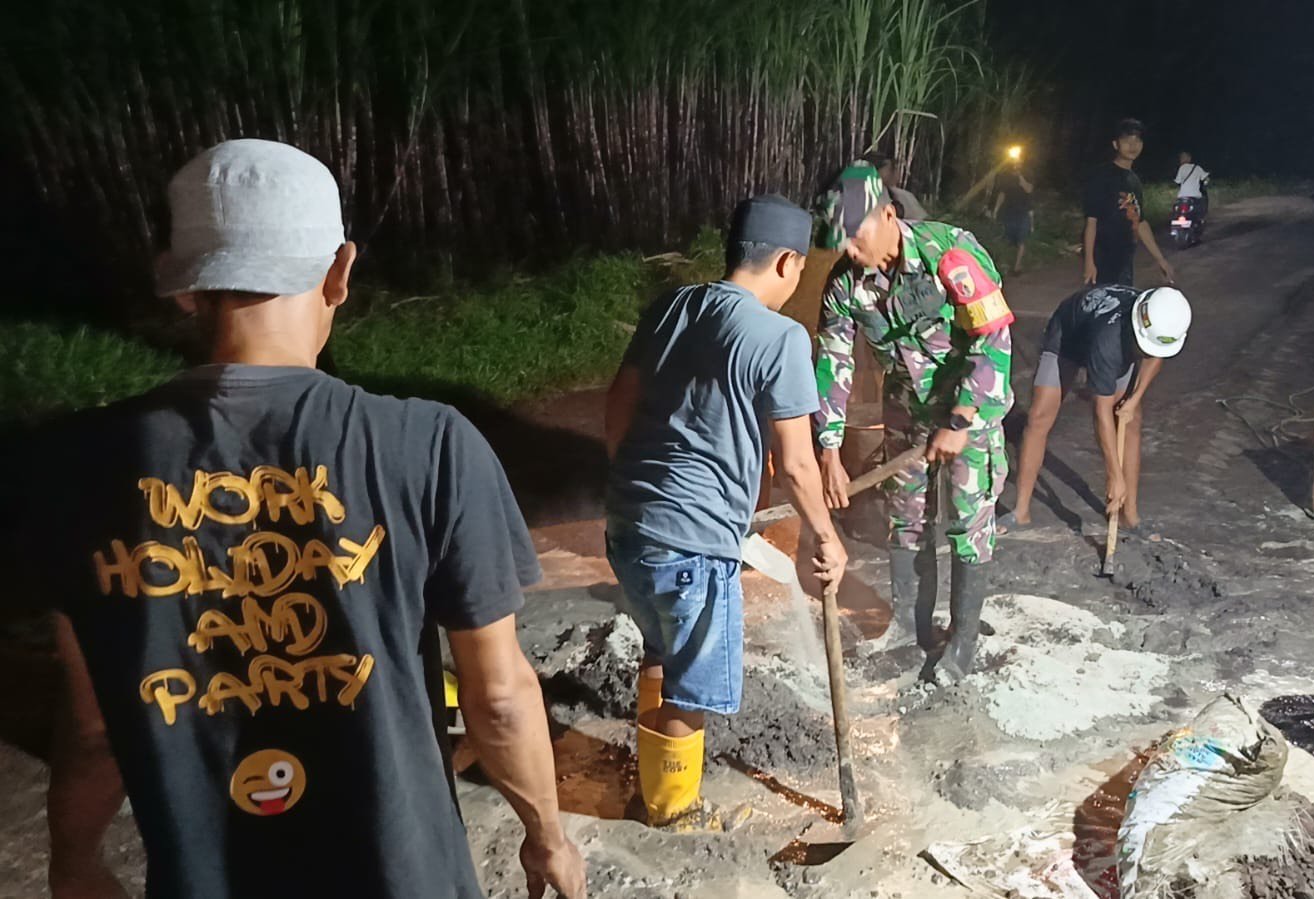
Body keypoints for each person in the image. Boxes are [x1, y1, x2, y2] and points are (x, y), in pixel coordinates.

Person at [21, 140, 586, 899]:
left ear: (185, 289)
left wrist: (74, 860)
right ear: (340, 271)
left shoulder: (79, 466)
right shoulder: (429, 444)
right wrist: (547, 838)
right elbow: (498, 697)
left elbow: (94, 725)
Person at [604, 195, 845, 828]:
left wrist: (636, 481)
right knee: (692, 688)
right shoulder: (781, 337)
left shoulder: (673, 306)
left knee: (660, 648)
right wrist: (826, 535)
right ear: (788, 262)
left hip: (629, 523)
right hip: (694, 540)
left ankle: (650, 782)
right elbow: (798, 464)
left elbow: (619, 402)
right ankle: (671, 812)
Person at [815, 160, 1013, 680]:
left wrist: (961, 418)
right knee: (906, 519)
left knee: (969, 521)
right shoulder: (845, 285)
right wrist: (828, 449)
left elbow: (993, 339)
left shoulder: (949, 253)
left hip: (970, 407)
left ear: (887, 214)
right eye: (840, 242)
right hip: (907, 410)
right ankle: (909, 626)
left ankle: (962, 643)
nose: (849, 251)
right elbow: (833, 362)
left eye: (855, 237)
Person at [1004, 285, 1192, 533]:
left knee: (1130, 419)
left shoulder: (1159, 321)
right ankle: (1021, 512)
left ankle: (1129, 516)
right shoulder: (1109, 340)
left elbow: (1155, 356)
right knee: (1039, 418)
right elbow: (1100, 411)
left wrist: (1135, 398)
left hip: (1116, 340)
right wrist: (1114, 476)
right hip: (1068, 338)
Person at [1082, 118, 1176, 287]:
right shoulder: (1102, 176)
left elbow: (1140, 223)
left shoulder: (1134, 181)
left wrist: (1160, 259)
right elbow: (1091, 221)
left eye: (1137, 141)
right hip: (1103, 259)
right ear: (1115, 144)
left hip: (1125, 260)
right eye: (1127, 141)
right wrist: (1089, 262)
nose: (1133, 146)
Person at [990, 156, 1036, 274]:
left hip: (1024, 212)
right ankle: (1004, 265)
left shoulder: (1028, 173)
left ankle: (1017, 267)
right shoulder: (1007, 176)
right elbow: (1002, 194)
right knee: (1009, 239)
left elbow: (1029, 189)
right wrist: (996, 210)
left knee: (1021, 240)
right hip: (1010, 212)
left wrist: (1020, 176)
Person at [1173, 151, 1210, 221]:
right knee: (1202, 205)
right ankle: (1200, 219)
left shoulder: (1181, 168)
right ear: (1189, 159)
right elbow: (1206, 178)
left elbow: (1178, 181)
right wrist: (1205, 183)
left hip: (1182, 196)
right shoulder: (1197, 168)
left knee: (1177, 209)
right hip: (1195, 195)